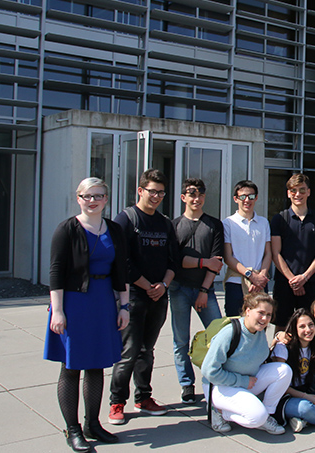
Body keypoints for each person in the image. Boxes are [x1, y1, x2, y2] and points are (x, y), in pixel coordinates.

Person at [44, 178, 129, 452]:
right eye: (87, 196)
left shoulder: (114, 230)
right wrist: (57, 311)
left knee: (96, 365)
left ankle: (93, 423)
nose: (92, 201)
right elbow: (56, 272)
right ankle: (72, 430)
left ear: (106, 199)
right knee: (71, 367)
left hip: (103, 301)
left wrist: (124, 306)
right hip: (74, 303)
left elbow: (121, 271)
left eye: (98, 196)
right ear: (78, 198)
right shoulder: (66, 229)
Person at [109, 169, 177, 425]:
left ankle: (143, 398)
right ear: (140, 191)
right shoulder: (126, 219)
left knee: (147, 350)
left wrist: (163, 285)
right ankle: (117, 402)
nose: (157, 196)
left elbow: (174, 261)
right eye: (152, 191)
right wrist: (147, 284)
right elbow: (121, 261)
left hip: (159, 296)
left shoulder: (165, 223)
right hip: (134, 296)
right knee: (129, 351)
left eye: (161, 192)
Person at [202, 292, 291, 434]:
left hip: (247, 381)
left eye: (268, 315)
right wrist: (243, 381)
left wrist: (276, 340)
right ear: (248, 311)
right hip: (221, 386)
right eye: (261, 313)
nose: (265, 318)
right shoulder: (230, 333)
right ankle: (218, 411)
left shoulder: (259, 331)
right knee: (256, 417)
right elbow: (209, 371)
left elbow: (257, 356)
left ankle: (267, 415)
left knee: (284, 370)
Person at [169, 178, 224, 404]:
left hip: (205, 289)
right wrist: (203, 262)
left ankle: (217, 379)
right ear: (183, 197)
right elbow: (176, 261)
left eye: (200, 194)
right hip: (179, 289)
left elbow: (217, 262)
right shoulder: (173, 226)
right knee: (180, 340)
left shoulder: (214, 225)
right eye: (191, 194)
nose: (196, 198)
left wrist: (204, 289)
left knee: (220, 335)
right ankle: (186, 385)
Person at [271, 174, 315, 332]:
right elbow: (275, 253)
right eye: (293, 190)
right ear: (288, 193)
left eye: (302, 190)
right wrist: (292, 280)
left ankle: (307, 357)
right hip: (284, 283)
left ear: (308, 192)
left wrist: (304, 278)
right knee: (282, 327)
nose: (298, 194)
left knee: (309, 327)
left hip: (310, 283)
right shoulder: (279, 219)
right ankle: (279, 357)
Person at [222, 180, 272, 317]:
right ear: (235, 199)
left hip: (260, 283)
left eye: (251, 196)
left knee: (260, 323)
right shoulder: (228, 223)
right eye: (242, 197)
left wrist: (261, 276)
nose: (247, 200)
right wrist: (250, 275)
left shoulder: (263, 223)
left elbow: (268, 253)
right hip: (236, 282)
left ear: (256, 198)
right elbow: (228, 257)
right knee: (235, 324)